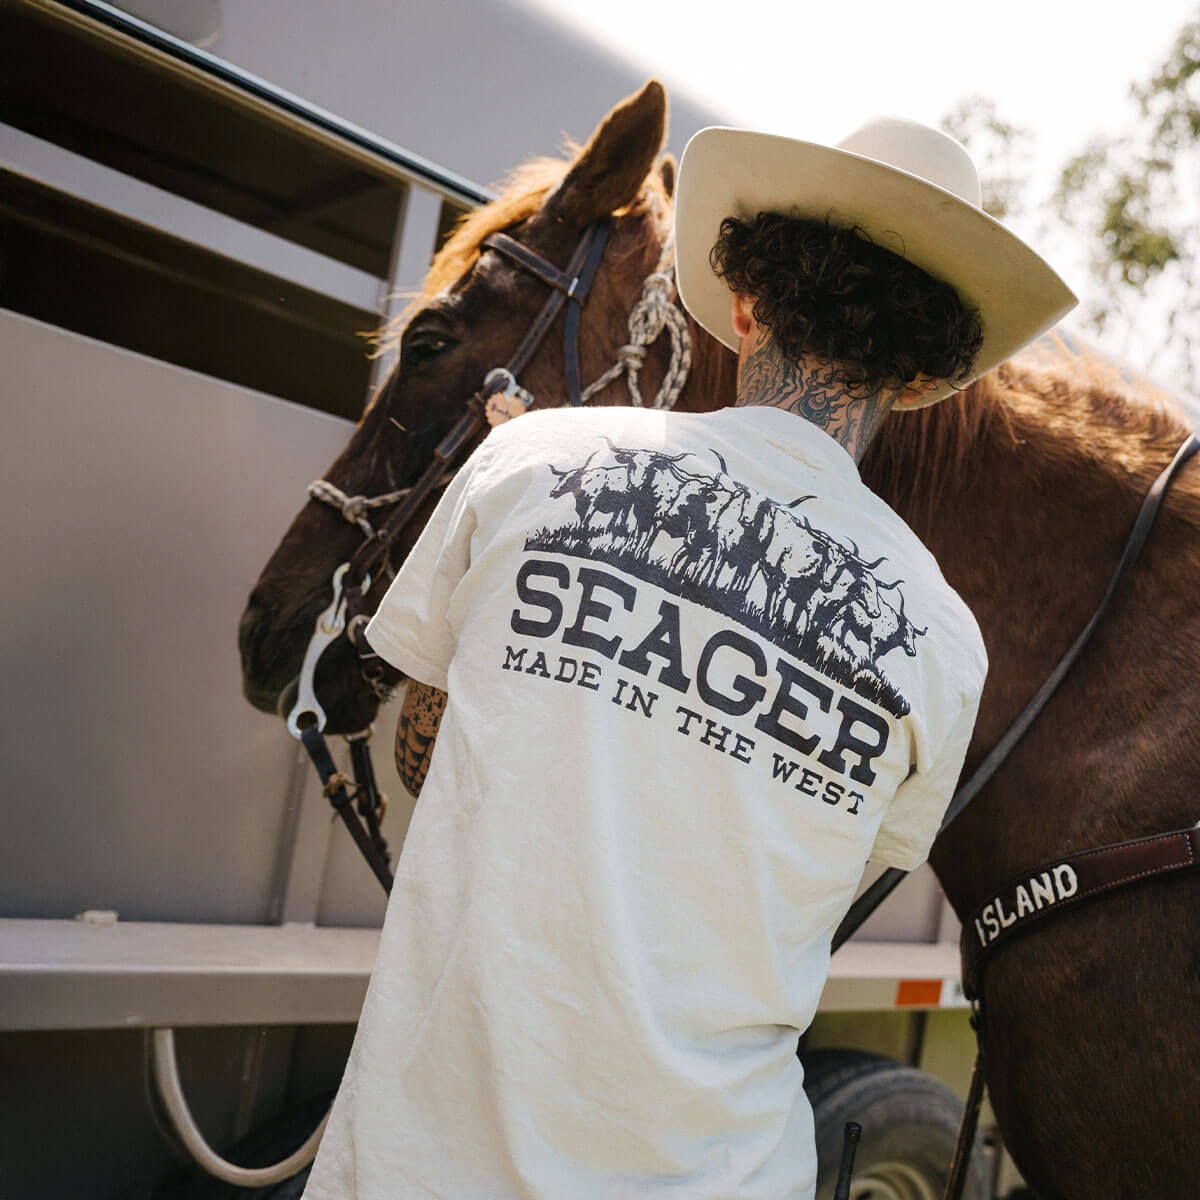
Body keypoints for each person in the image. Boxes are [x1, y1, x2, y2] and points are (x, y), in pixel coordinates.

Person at [302, 117, 1075, 1199]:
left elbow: (430, 762)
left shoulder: (529, 463)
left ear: (747, 303)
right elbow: (814, 875)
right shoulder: (944, 641)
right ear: (919, 376)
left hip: (425, 1166)